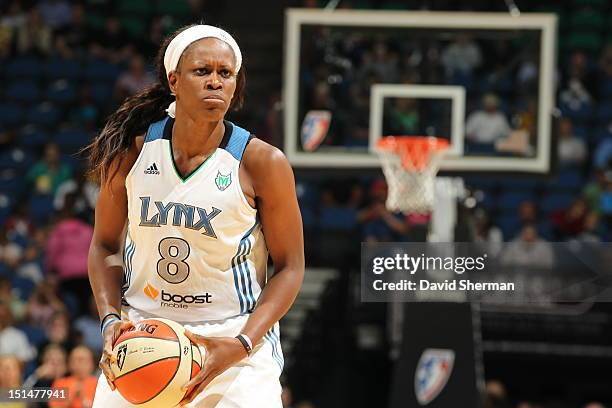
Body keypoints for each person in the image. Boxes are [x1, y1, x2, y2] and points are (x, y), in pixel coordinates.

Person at [85, 24, 304, 407]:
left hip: (233, 340)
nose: (216, 82)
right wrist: (109, 320)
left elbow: (290, 268)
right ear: (174, 80)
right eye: (203, 71)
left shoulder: (262, 162)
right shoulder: (130, 152)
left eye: (226, 73)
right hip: (143, 334)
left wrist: (241, 343)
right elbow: (104, 245)